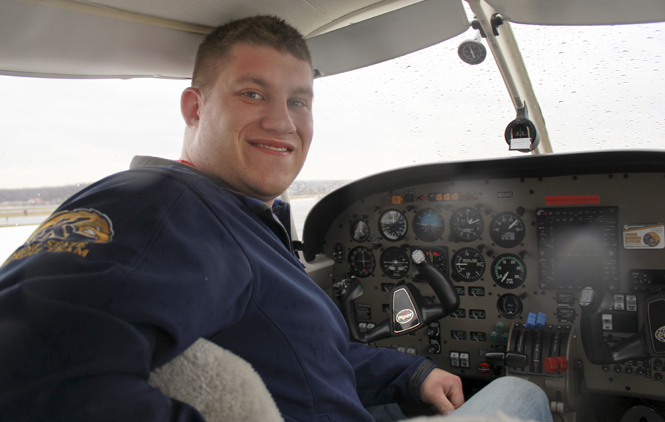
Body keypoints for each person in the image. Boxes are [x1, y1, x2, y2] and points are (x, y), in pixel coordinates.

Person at [0, 15, 551, 422]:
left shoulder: (235, 215)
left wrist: (408, 372)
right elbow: (25, 368)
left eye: (299, 101)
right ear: (195, 108)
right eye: (252, 93)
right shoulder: (158, 205)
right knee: (523, 394)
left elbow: (301, 356)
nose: (282, 122)